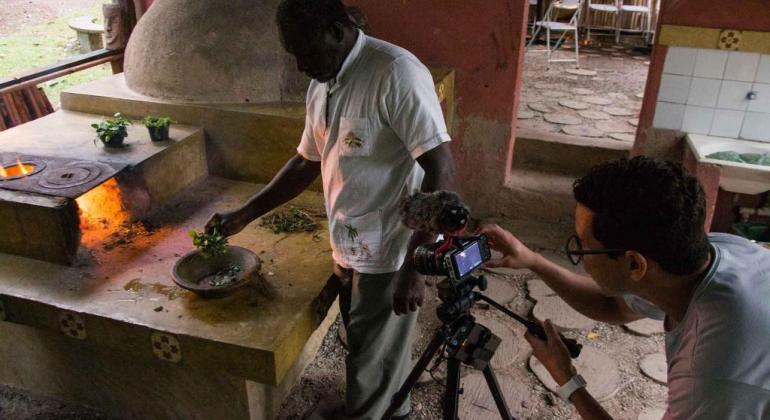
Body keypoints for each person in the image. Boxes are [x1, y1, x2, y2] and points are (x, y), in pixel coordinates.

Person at [206, 1, 456, 419]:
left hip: (390, 249)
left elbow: (442, 170)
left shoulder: (395, 72)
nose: (301, 65)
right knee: (370, 346)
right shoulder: (323, 82)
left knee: (372, 356)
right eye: (294, 55)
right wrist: (246, 213)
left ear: (338, 31)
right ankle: (382, 407)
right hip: (349, 242)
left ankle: (373, 412)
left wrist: (414, 264)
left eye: (306, 51)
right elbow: (306, 160)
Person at [478, 156, 770, 419]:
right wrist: (532, 260)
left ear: (634, 264)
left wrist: (569, 382)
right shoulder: (713, 254)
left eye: (583, 248)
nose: (579, 256)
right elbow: (613, 305)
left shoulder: (711, 377)